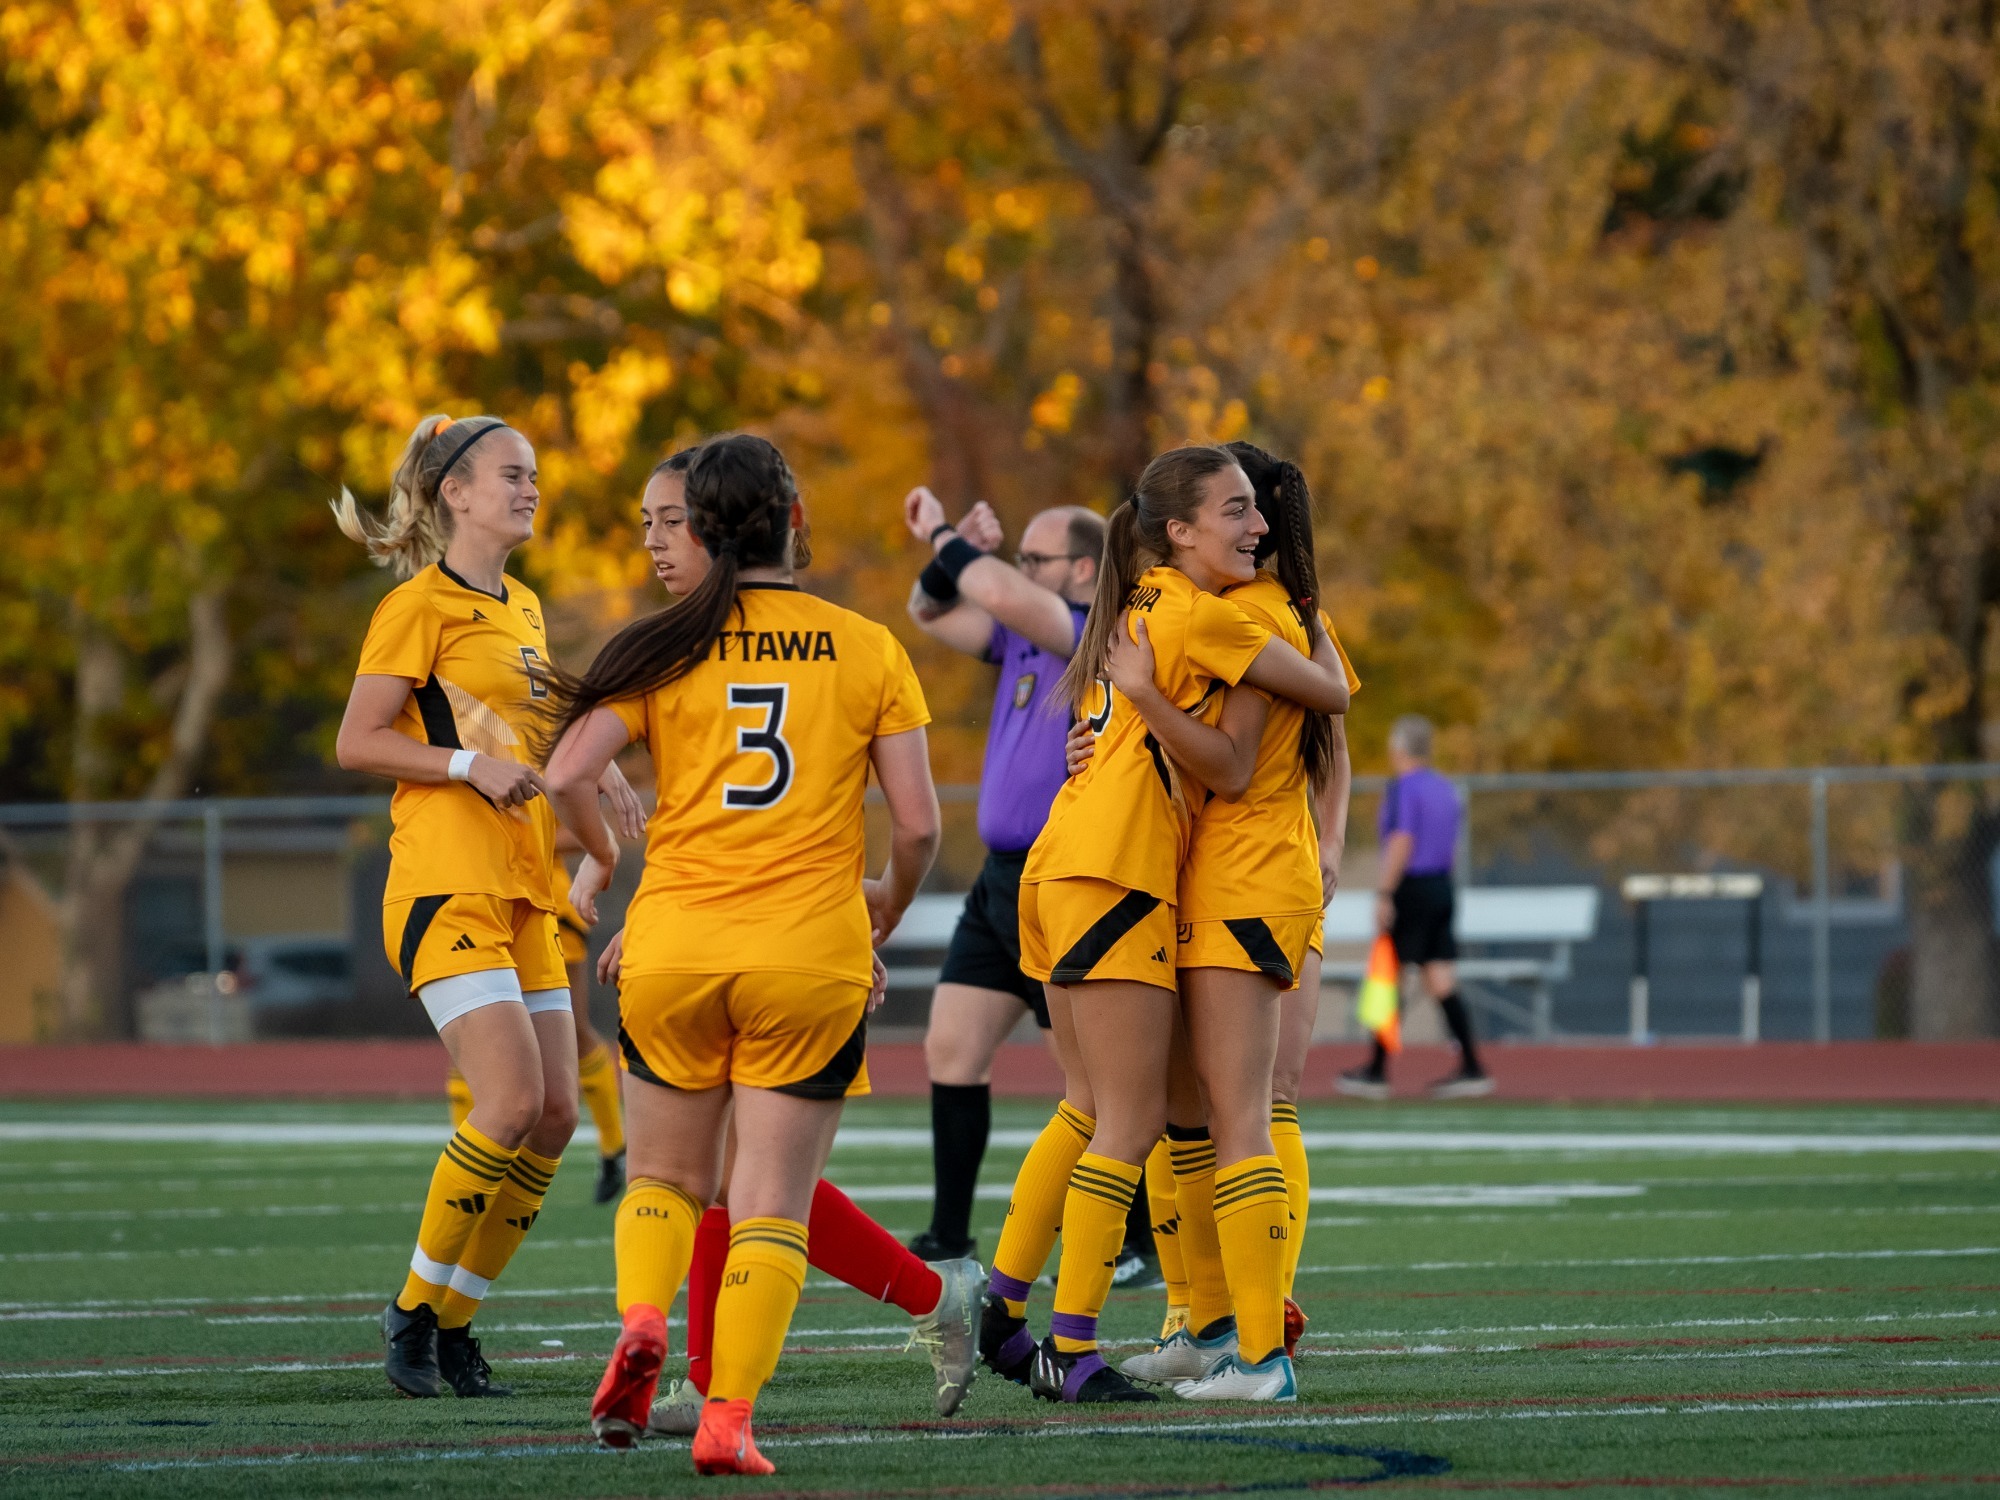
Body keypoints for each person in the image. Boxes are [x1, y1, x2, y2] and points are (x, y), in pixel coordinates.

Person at [542, 434, 942, 1475]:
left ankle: (641, 1320)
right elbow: (915, 827)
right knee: (766, 1204)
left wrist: (607, 857)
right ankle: (727, 1419)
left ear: (700, 529)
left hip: (671, 947)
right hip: (807, 953)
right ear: (794, 522)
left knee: (666, 1179)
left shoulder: (660, 644)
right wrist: (887, 906)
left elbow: (567, 776)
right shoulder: (864, 647)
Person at [983, 445, 1350, 1407]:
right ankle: (1188, 1332)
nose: (1254, 529)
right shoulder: (1205, 607)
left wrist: (1332, 841)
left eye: (1254, 511)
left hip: (1190, 878)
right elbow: (1244, 748)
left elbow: (1310, 733)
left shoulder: (1212, 605)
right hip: (1141, 873)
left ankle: (1232, 1342)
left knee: (1205, 1114)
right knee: (1173, 1117)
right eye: (1232, 513)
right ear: (1180, 529)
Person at [332, 414, 632, 1399]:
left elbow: (543, 742)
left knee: (552, 1115)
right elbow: (359, 741)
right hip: (444, 882)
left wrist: (607, 784)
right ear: (453, 494)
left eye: (534, 474)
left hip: (525, 891)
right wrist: (464, 766)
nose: (530, 488)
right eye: (511, 474)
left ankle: (453, 1324)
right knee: (505, 1103)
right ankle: (413, 1314)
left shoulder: (529, 606)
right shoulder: (419, 606)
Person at [900, 486, 1116, 1267]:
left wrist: (948, 535)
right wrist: (950, 558)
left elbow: (987, 585)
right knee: (950, 1049)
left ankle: (1130, 1238)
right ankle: (951, 1231)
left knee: (1097, 1080)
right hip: (1000, 883)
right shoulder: (1023, 640)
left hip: (1064, 878)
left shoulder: (1089, 631)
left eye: (1037, 558)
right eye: (1019, 556)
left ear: (1084, 567)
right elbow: (931, 611)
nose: (1021, 569)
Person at [444, 828, 638, 1207]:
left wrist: (509, 837)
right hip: (477, 901)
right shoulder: (464, 767)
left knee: (574, 1035)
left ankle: (615, 1148)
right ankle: (472, 1162)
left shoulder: (547, 768)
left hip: (542, 903)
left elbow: (586, 827)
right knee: (465, 1039)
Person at [1337, 714, 1490, 1099]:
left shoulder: (1404, 788)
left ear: (1399, 747)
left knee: (1390, 976)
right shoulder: (1446, 789)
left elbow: (1402, 839)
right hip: (1441, 886)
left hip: (1412, 887)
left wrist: (1386, 892)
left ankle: (1376, 1071)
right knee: (1440, 979)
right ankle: (1472, 1066)